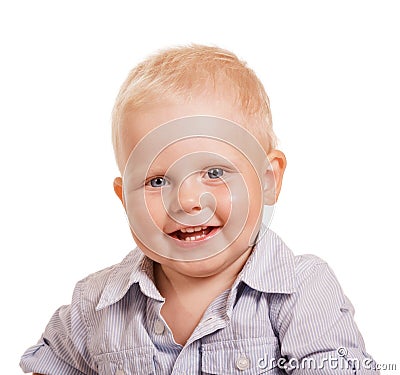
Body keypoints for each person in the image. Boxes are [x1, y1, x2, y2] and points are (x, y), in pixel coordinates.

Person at [20, 45, 379, 374]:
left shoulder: (300, 292)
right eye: (157, 181)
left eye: (214, 172)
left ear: (268, 180)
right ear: (124, 199)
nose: (188, 202)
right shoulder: (95, 304)